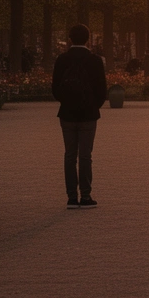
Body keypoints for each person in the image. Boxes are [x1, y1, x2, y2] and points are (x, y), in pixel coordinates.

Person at [52, 24, 108, 210]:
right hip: (88, 114)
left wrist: (67, 102)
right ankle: (85, 196)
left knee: (70, 155)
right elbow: (102, 90)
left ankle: (71, 197)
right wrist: (92, 105)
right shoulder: (95, 60)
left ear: (70, 39)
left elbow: (55, 89)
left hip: (67, 113)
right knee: (85, 155)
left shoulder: (62, 59)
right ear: (88, 39)